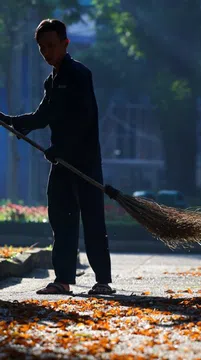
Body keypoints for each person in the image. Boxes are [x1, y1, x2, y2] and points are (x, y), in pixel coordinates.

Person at [0, 19, 115, 295]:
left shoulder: (79, 74)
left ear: (65, 43)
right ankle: (62, 280)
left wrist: (62, 148)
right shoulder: (51, 81)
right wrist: (11, 121)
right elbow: (44, 116)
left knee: (93, 221)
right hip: (61, 163)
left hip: (84, 161)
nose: (47, 52)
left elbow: (83, 118)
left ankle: (103, 282)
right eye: (42, 48)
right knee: (61, 220)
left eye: (51, 46)